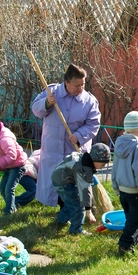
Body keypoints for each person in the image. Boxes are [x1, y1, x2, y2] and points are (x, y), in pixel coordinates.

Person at [31, 63, 101, 208]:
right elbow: (35, 110)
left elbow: (93, 124)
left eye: (82, 84)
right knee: (53, 180)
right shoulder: (51, 92)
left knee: (71, 183)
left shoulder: (89, 101)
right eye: (77, 85)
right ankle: (58, 207)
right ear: (66, 82)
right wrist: (46, 103)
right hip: (53, 148)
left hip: (74, 150)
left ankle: (72, 210)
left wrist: (80, 135)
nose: (81, 88)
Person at [0, 115, 35, 215]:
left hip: (17, 166)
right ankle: (13, 204)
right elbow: (2, 156)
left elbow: (12, 156)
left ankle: (9, 211)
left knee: (9, 188)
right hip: (9, 166)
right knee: (2, 188)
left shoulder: (5, 140)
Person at [111, 111, 138, 256]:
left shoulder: (118, 144)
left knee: (130, 218)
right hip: (134, 192)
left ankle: (133, 241)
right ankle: (125, 245)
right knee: (135, 221)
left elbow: (114, 167)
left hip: (123, 191)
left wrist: (115, 186)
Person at [51, 143, 111, 235]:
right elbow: (85, 190)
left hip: (63, 179)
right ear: (94, 160)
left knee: (70, 203)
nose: (104, 166)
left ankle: (60, 221)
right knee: (78, 206)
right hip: (62, 182)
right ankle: (76, 230)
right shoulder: (83, 169)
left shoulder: (86, 161)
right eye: (102, 164)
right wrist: (88, 210)